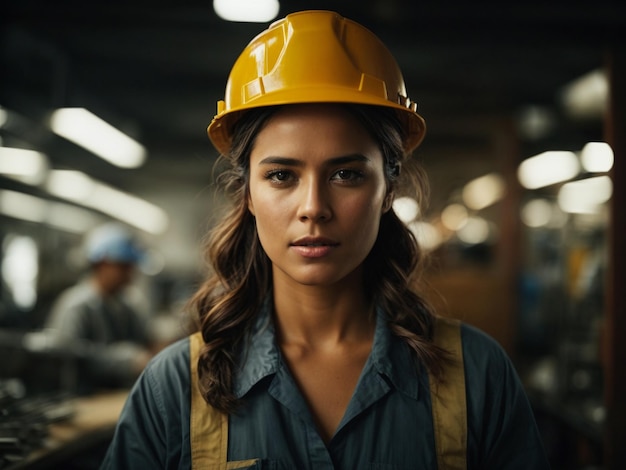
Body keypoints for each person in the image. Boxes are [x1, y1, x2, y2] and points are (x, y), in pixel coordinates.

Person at [101, 10, 550, 469]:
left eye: (346, 174)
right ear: (248, 194)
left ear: (388, 189)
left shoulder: (476, 375)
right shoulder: (174, 388)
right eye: (281, 175)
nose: (313, 206)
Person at [45, 222, 154, 391]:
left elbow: (143, 343)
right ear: (103, 263)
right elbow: (65, 355)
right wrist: (125, 361)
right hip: (81, 402)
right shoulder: (76, 305)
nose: (130, 274)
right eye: (124, 267)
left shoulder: (127, 307)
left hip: (113, 401)